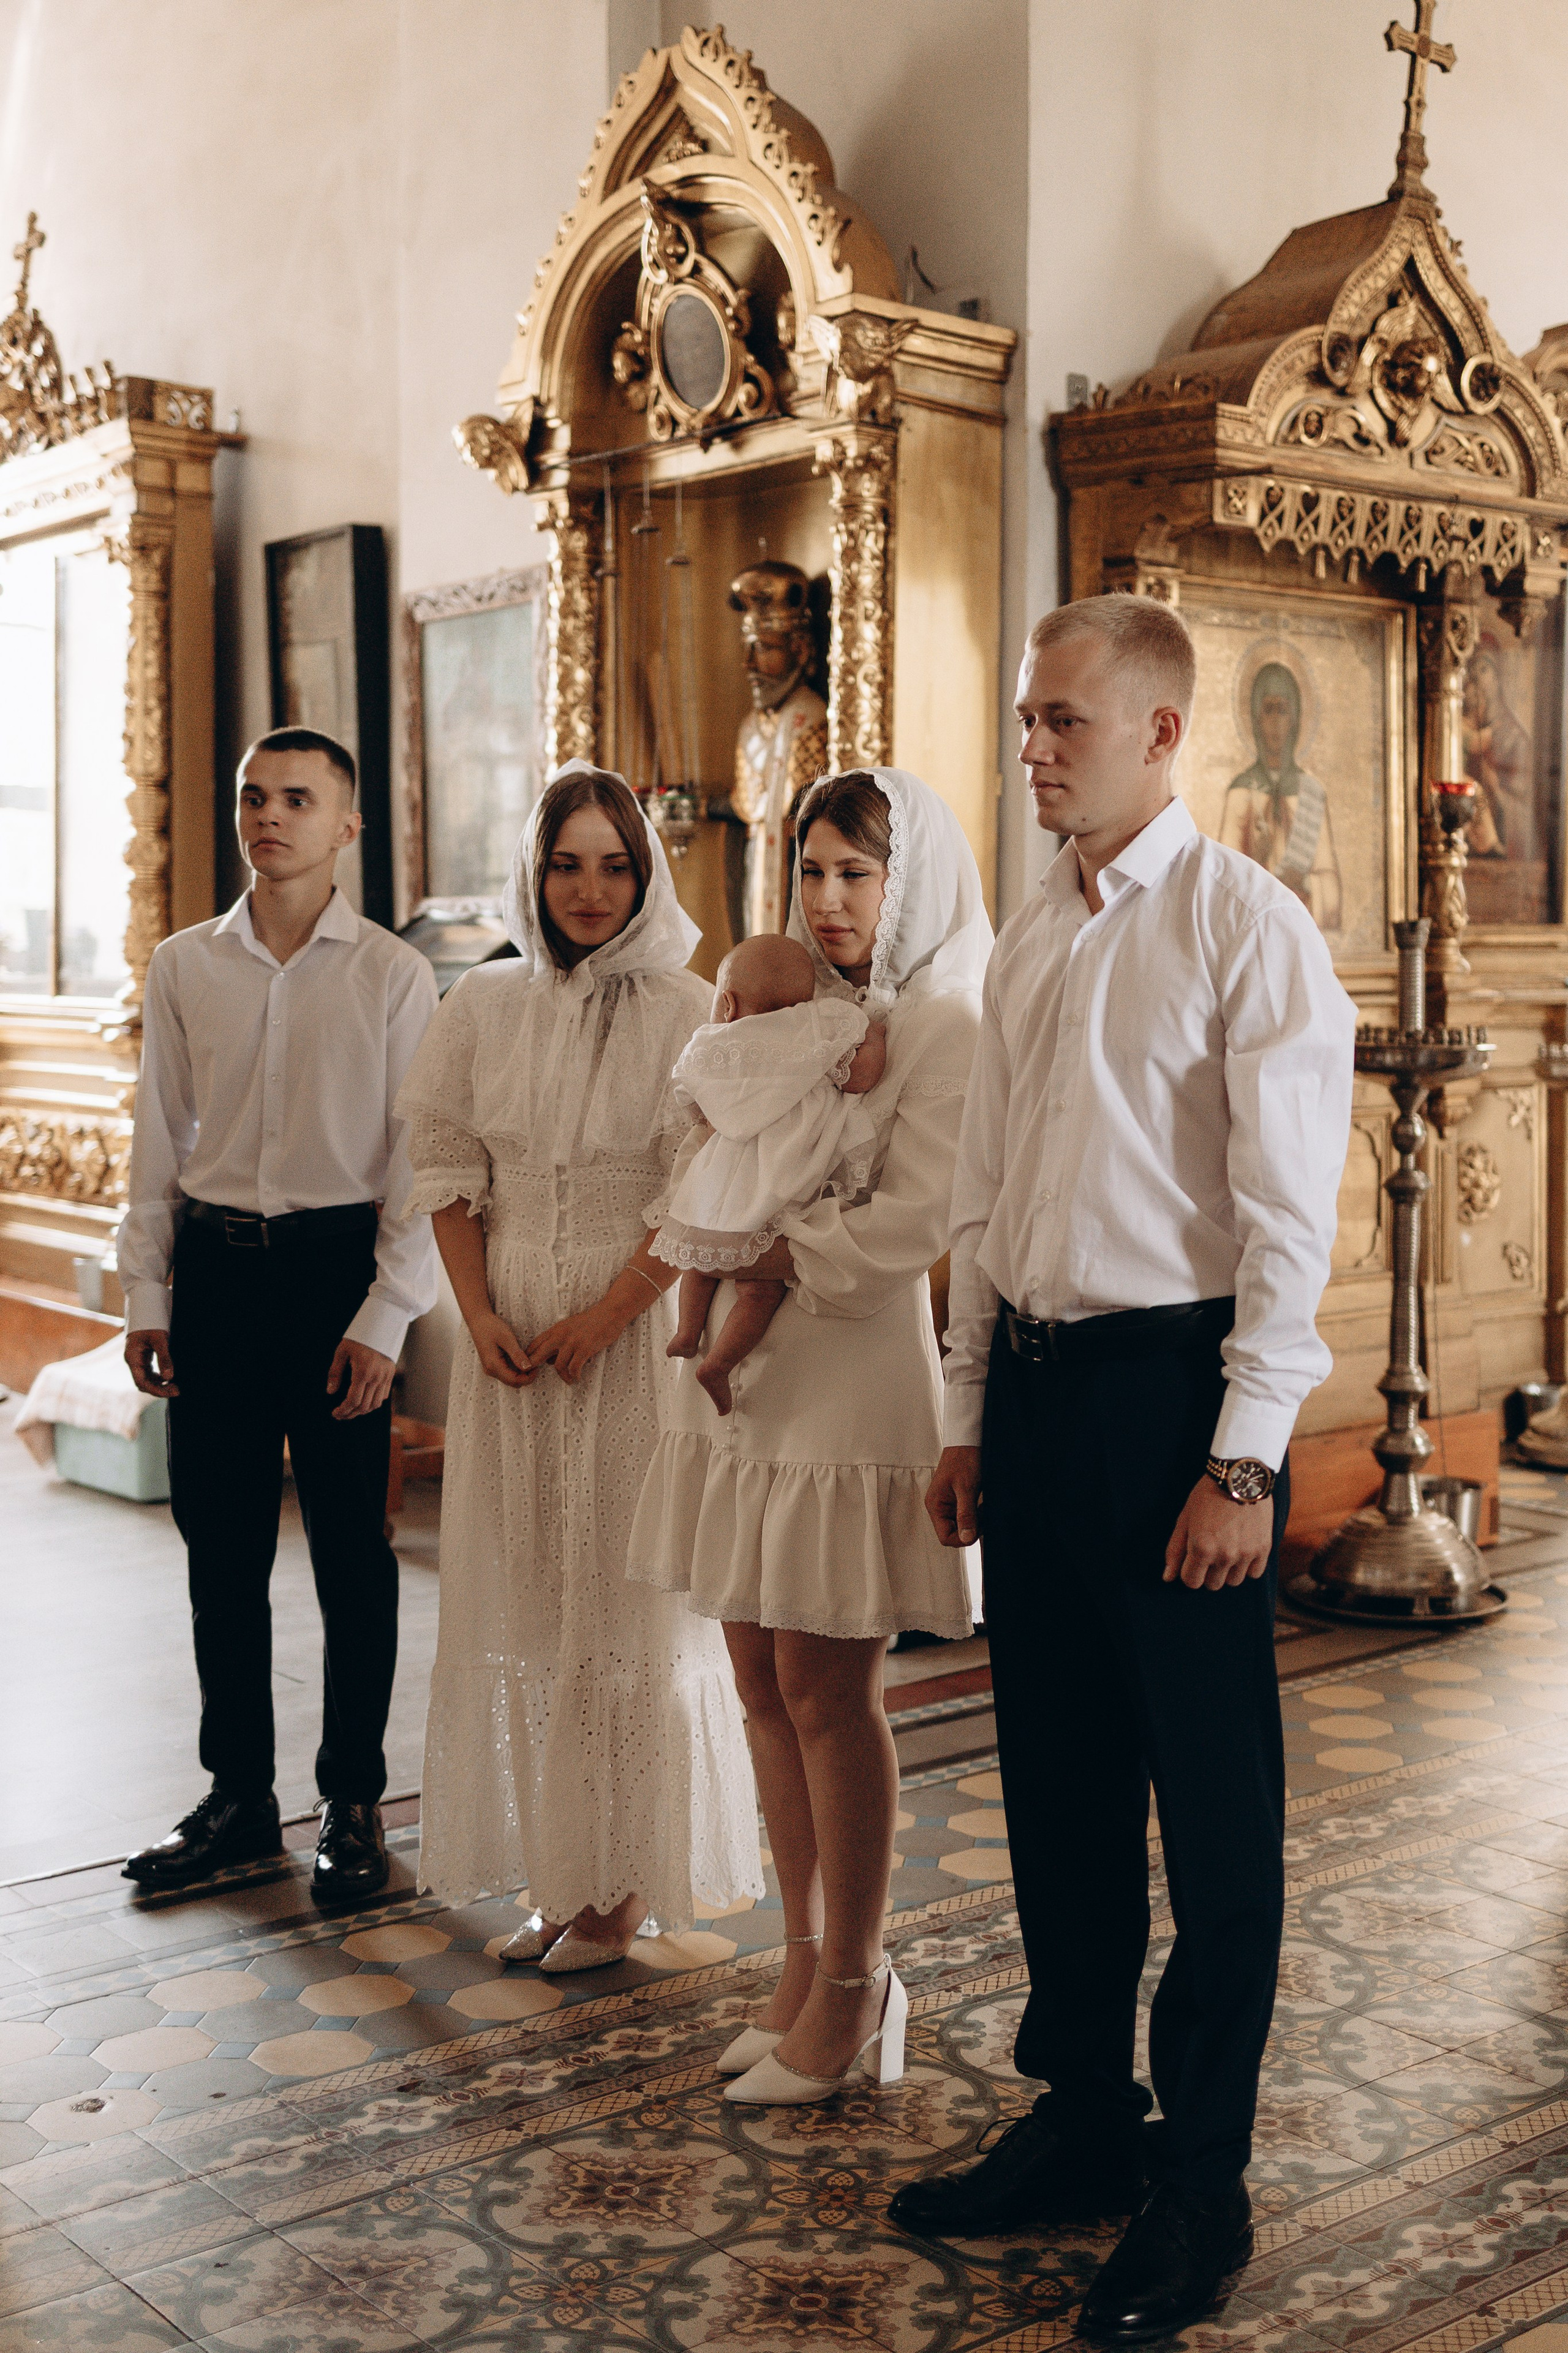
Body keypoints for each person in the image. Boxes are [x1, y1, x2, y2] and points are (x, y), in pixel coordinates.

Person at [894, 597, 1355, 2342]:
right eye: (1027, 719)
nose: (1032, 746)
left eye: (1063, 721)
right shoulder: (1031, 932)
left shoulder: (1247, 927)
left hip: (1175, 1404)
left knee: (1215, 1815)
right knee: (1060, 1780)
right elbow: (983, 1194)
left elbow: (1286, 1219)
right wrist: (964, 1411)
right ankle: (1086, 2112)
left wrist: (1242, 1461)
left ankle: (1201, 2182)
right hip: (1034, 1398)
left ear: (1163, 732)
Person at [630, 766, 992, 2101]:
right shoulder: (782, 1001)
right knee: (755, 1680)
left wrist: (768, 1252)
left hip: (847, 1373)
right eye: (813, 872)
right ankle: (797, 1962)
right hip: (745, 1385)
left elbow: (919, 1216)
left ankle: (856, 1980)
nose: (829, 900)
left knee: (830, 1689)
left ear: (909, 883)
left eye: (857, 874)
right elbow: (701, 1136)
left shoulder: (944, 1022)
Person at [395, 762, 762, 1970]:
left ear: (646, 876)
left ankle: (620, 1888)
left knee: (623, 1610)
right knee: (538, 1606)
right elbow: (448, 1165)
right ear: (533, 873)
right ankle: (564, 1875)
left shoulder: (690, 1008)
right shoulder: (482, 1004)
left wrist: (610, 1312)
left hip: (631, 1346)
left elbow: (700, 1186)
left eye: (614, 865)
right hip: (509, 1349)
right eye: (566, 864)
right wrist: (475, 1313)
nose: (589, 889)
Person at [119, 727, 439, 1904]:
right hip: (214, 1274)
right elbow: (159, 1136)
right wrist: (148, 1289)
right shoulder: (184, 965)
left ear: (348, 825)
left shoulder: (394, 976)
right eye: (254, 795)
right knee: (222, 1549)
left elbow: (419, 1161)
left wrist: (386, 1316)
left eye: (297, 799)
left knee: (352, 1551)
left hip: (334, 1277)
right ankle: (238, 1799)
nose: (268, 815)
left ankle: (352, 1802)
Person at [657, 932, 887, 1414]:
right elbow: (860, 1077)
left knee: (700, 1258)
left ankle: (687, 1331)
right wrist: (875, 1037)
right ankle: (719, 1363)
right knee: (760, 1288)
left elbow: (694, 1106)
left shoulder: (714, 1042)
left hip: (722, 1179)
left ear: (727, 1003)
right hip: (779, 1180)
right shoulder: (822, 1022)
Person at [1218, 657, 1342, 932]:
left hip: (1300, 931)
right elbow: (1222, 881)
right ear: (1255, 718)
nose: (1275, 722)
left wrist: (1305, 883)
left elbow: (1330, 886)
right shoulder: (1241, 791)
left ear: (1295, 718)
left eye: (1283, 710)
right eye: (1268, 710)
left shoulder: (1311, 793)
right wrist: (1257, 859)